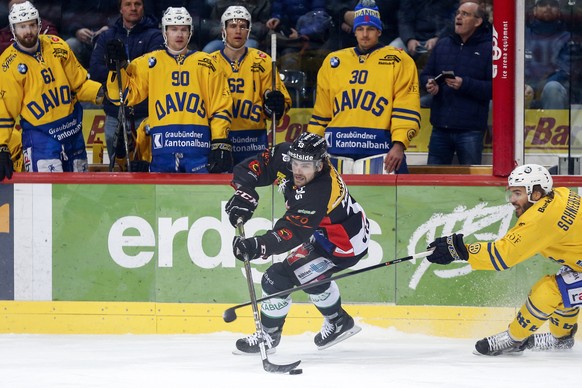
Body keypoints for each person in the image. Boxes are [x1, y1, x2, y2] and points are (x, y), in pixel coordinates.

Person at [225, 132, 370, 353]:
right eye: (294, 164)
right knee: (310, 277)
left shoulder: (320, 191)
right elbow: (255, 166)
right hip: (326, 232)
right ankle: (339, 321)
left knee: (276, 279)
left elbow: (291, 232)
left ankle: (269, 336)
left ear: (320, 165)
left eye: (305, 166)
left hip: (342, 244)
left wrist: (257, 246)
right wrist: (245, 191)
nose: (297, 171)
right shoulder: (288, 154)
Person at [427, 164, 580, 356]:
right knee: (566, 285)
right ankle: (562, 340)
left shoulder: (541, 219)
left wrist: (459, 250)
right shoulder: (561, 194)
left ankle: (514, 340)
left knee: (549, 291)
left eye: (517, 193)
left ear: (537, 193)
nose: (512, 200)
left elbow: (502, 255)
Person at [105, 7, 233, 173]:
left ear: (190, 32)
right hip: (162, 151)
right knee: (165, 198)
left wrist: (220, 141)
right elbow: (124, 97)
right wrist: (116, 69)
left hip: (198, 149)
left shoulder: (207, 63)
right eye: (173, 29)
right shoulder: (149, 62)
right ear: (165, 32)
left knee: (198, 198)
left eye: (183, 29)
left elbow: (220, 106)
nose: (179, 34)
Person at [307, 0, 421, 174]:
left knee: (384, 201)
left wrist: (399, 145)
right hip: (337, 149)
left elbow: (406, 107)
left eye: (370, 29)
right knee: (335, 200)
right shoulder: (334, 62)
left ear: (379, 31)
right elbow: (322, 113)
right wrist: (313, 143)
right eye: (360, 29)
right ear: (354, 31)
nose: (365, 34)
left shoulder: (399, 60)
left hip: (382, 150)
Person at [0, 1, 104, 181]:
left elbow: (79, 85)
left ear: (39, 24)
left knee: (79, 194)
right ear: (13, 29)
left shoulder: (58, 46)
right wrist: (1, 147)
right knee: (45, 196)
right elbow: (5, 111)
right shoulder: (8, 64)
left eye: (32, 25)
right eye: (22, 26)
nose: (28, 31)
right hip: (41, 140)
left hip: (73, 134)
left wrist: (102, 92)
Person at [209, 5, 292, 165]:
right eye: (233, 26)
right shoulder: (209, 62)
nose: (238, 31)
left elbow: (283, 104)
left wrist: (275, 106)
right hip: (218, 140)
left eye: (243, 26)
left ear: (249, 30)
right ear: (223, 30)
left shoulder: (263, 60)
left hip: (253, 141)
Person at [90, 0, 164, 165]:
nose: (133, 8)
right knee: (117, 166)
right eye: (128, 4)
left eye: (137, 4)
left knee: (148, 166)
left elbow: (155, 72)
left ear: (143, 7)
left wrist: (122, 68)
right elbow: (95, 70)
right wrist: (126, 71)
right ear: (120, 9)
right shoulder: (107, 36)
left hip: (146, 112)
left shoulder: (155, 36)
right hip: (114, 111)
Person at [419, 1, 492, 165]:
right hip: (440, 128)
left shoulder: (489, 48)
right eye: (458, 13)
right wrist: (430, 83)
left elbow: (494, 89)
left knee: (472, 185)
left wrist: (464, 84)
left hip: (470, 130)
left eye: (465, 14)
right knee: (433, 183)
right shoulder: (443, 44)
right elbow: (425, 74)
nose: (458, 17)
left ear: (478, 21)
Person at [524, 0, 571, 109]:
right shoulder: (521, 34)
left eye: (553, 5)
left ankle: (557, 125)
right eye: (543, 4)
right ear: (534, 10)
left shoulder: (567, 38)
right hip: (525, 90)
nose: (548, 7)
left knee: (552, 88)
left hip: (554, 93)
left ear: (559, 12)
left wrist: (535, 89)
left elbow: (565, 71)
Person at [61, 0, 119, 68]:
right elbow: (67, 15)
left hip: (109, 37)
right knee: (70, 45)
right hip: (83, 38)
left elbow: (122, 13)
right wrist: (77, 30)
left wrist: (109, 27)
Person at [201, 0, 270, 54]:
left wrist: (241, 30)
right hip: (223, 39)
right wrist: (227, 32)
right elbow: (214, 26)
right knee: (208, 50)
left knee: (247, 50)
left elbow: (262, 28)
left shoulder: (262, 3)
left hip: (248, 38)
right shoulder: (222, 2)